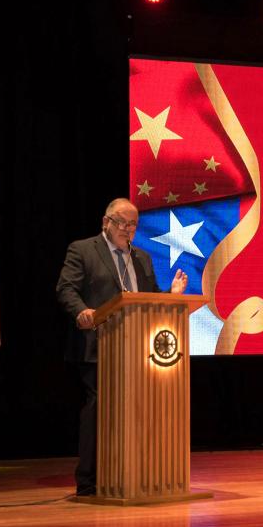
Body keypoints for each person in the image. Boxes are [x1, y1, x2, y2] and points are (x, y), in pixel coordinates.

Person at [55, 197, 187, 496]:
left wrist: (171, 295)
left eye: (133, 225)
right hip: (98, 345)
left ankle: (136, 473)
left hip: (139, 349)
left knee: (142, 408)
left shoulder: (141, 257)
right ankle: (89, 480)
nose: (128, 229)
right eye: (122, 223)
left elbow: (149, 299)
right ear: (106, 222)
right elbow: (66, 288)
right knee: (100, 406)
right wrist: (82, 311)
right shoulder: (83, 250)